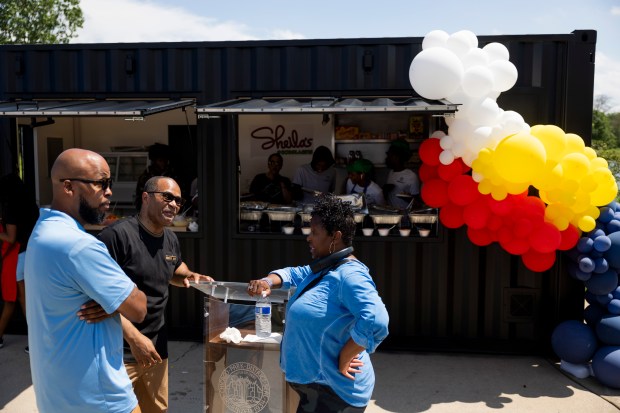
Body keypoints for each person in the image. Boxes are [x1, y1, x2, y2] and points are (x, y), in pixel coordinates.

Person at [25, 148, 147, 413]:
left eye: (110, 183)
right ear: (68, 186)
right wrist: (114, 300)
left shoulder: (42, 231)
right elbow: (138, 307)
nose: (109, 191)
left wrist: (110, 301)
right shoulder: (79, 246)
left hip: (59, 397)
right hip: (102, 399)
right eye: (100, 183)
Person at [247, 193, 389, 412]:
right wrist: (268, 281)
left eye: (314, 232)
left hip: (334, 394)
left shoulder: (350, 275)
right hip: (317, 392)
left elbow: (376, 320)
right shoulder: (326, 267)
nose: (308, 238)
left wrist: (346, 355)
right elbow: (296, 273)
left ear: (336, 236)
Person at [97, 175, 214, 413]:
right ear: (145, 197)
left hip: (156, 351)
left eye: (178, 201)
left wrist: (191, 276)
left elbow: (174, 269)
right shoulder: (116, 237)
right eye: (167, 197)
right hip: (118, 353)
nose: (173, 204)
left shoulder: (169, 238)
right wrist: (133, 337)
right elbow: (97, 296)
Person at [0, 173, 39, 352]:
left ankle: (35, 342)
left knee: (21, 300)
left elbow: (10, 237)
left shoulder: (9, 207)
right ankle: (35, 341)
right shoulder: (30, 204)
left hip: (20, 255)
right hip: (33, 253)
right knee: (26, 299)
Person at [135, 143, 175, 211]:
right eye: (160, 161)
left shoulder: (172, 175)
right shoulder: (146, 176)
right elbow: (140, 198)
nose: (163, 163)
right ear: (154, 160)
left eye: (165, 160)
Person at [383, 139, 420, 209]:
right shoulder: (391, 172)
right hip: (392, 216)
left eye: (389, 155)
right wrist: (385, 190)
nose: (386, 158)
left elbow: (417, 204)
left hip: (404, 218)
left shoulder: (411, 176)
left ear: (396, 157)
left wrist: (407, 198)